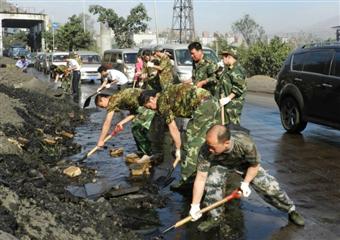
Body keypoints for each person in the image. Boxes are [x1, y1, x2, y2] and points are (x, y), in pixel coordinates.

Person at [189, 124, 305, 232]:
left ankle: (290, 209)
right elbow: (201, 178)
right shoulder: (206, 149)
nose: (209, 149)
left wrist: (245, 183)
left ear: (226, 143)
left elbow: (254, 165)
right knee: (212, 182)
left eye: (213, 147)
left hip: (245, 164)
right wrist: (195, 205)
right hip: (220, 164)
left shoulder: (245, 143)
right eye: (208, 145)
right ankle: (214, 218)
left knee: (269, 186)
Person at [138, 83, 221, 188]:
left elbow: (173, 128)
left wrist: (178, 148)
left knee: (190, 144)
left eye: (148, 107)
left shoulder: (161, 102)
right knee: (209, 140)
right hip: (212, 102)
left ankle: (186, 182)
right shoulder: (165, 95)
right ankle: (209, 174)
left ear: (151, 99)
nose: (151, 109)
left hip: (203, 105)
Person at [95, 88, 155, 158]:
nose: (104, 108)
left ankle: (148, 154)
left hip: (149, 103)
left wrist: (101, 140)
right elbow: (134, 113)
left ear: (103, 99)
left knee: (137, 128)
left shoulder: (113, 100)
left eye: (102, 106)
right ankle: (142, 152)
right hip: (143, 105)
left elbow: (107, 122)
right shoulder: (119, 101)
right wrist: (121, 122)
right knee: (135, 128)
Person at [218, 46, 247, 125]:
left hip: (233, 105)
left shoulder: (237, 70)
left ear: (229, 57)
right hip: (227, 104)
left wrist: (228, 98)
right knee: (226, 127)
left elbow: (239, 87)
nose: (222, 59)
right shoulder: (229, 69)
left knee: (233, 128)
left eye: (223, 57)